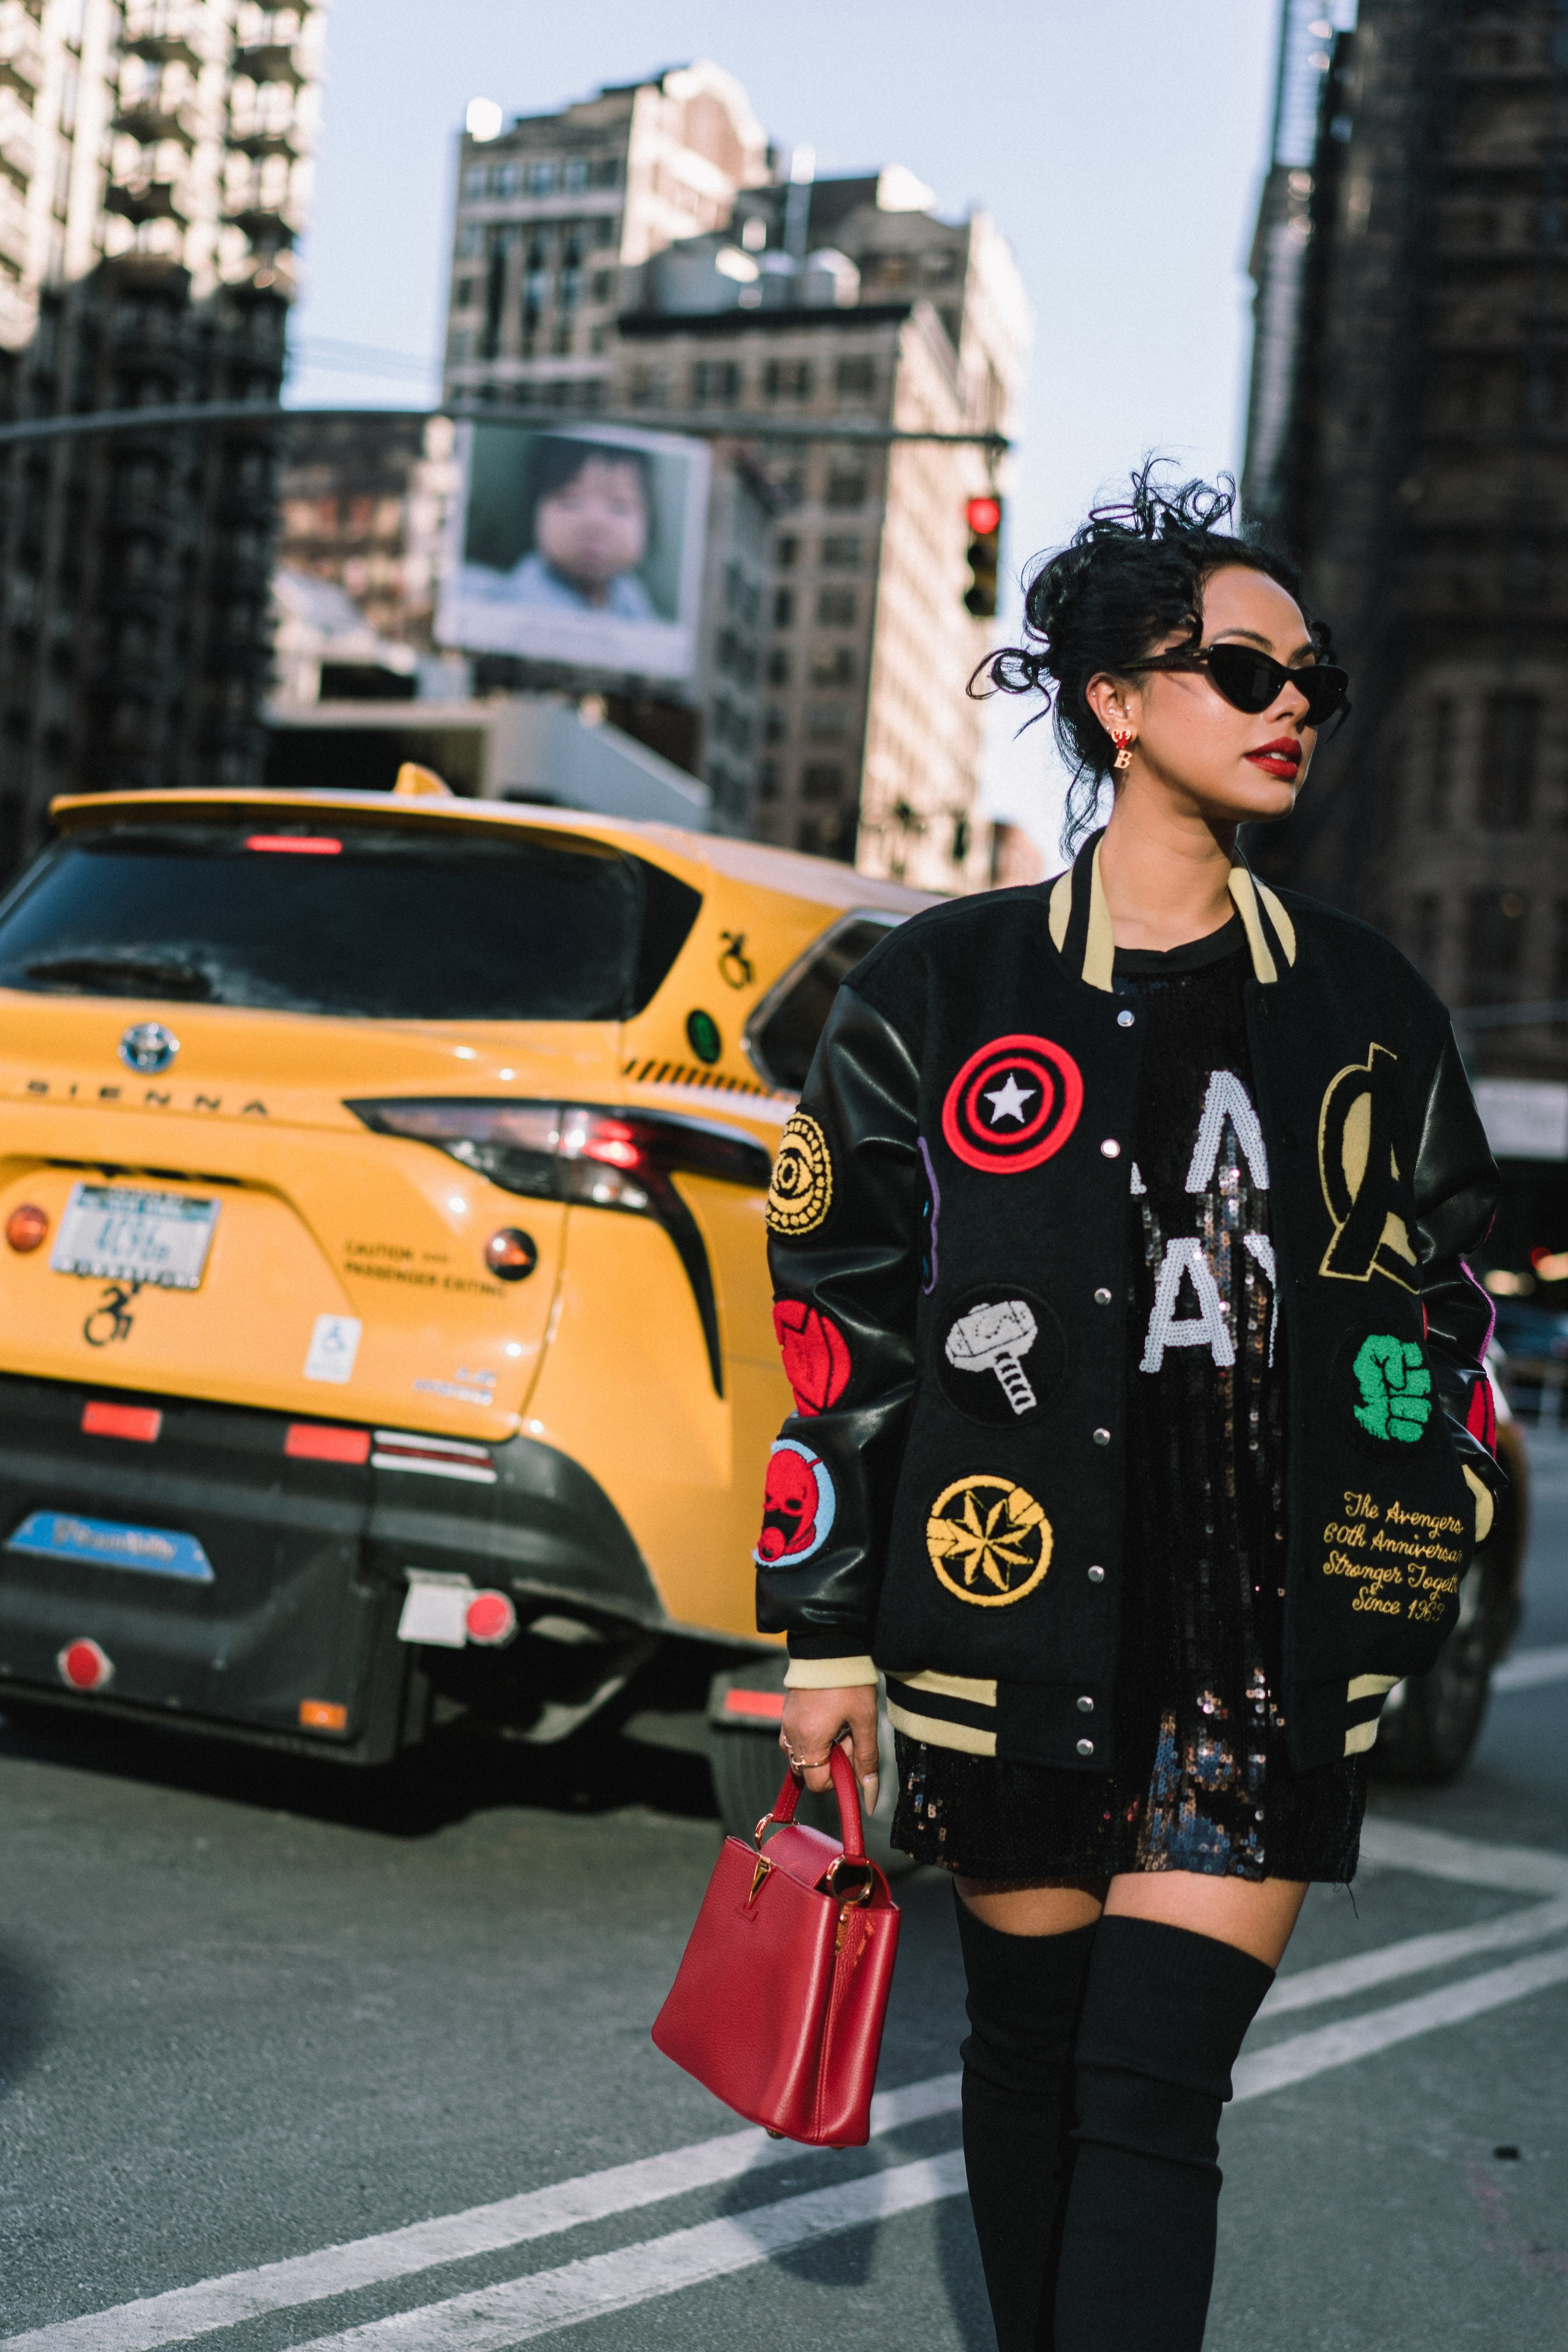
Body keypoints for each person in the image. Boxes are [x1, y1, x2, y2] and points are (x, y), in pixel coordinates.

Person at [758, 469, 1504, 2351]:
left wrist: (1428, 1529)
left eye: (1309, 677)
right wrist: (825, 1629)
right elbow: (844, 1324)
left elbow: (1442, 1294)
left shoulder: (1363, 998)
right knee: (1025, 2063)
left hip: (1259, 1638)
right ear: (1113, 698)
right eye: (1242, 666)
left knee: (1152, 2089)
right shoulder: (938, 983)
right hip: (1010, 1615)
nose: (1291, 706)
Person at [466, 436, 658, 617]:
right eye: (571, 501)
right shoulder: (522, 594)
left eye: (619, 507)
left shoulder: (631, 597)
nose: (594, 522)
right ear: (535, 511)